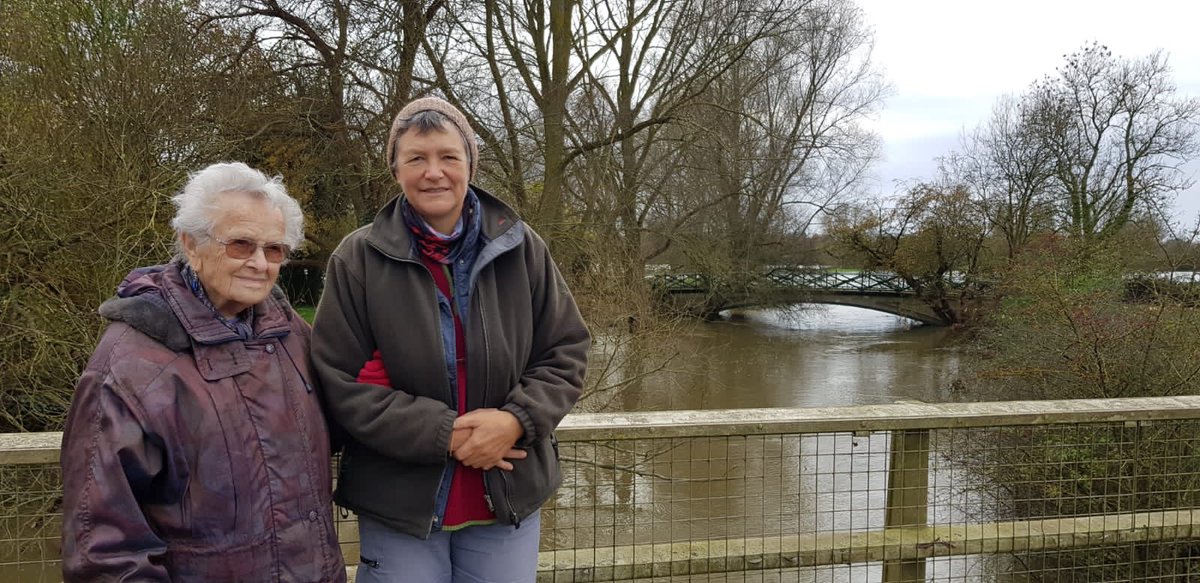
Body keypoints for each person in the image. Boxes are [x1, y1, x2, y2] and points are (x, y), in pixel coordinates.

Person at [311, 97, 590, 583]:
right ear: (395, 168)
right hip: (399, 502)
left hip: (506, 493)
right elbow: (338, 382)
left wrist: (515, 419)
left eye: (448, 157)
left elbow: (565, 351)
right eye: (416, 158)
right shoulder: (357, 259)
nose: (433, 172)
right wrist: (446, 434)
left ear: (470, 165)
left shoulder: (522, 248)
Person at [59, 162, 346, 582]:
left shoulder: (288, 334)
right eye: (240, 245)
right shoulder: (129, 367)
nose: (260, 263)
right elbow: (104, 552)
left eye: (274, 249)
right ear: (190, 244)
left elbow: (343, 419)